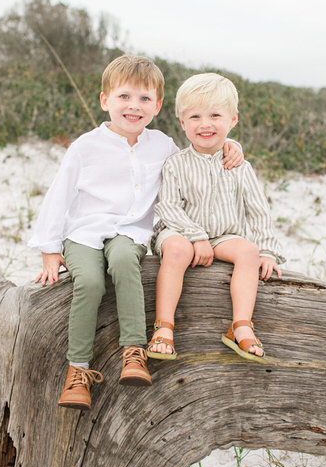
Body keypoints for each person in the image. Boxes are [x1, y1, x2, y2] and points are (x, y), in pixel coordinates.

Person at [29, 56, 244, 410]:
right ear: (105, 101)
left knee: (127, 265)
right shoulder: (85, 147)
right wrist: (49, 249)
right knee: (91, 283)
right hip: (83, 232)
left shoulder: (160, 145)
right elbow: (58, 197)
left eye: (145, 99)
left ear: (158, 106)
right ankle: (78, 371)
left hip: (129, 232)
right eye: (124, 97)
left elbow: (196, 157)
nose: (134, 106)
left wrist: (231, 146)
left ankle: (134, 351)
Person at [147, 72, 285, 363]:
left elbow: (258, 209)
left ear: (232, 120)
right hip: (179, 231)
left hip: (223, 234)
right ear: (182, 122)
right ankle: (164, 326)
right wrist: (195, 236)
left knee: (248, 250)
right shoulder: (176, 164)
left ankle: (240, 325)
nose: (205, 124)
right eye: (195, 117)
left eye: (215, 115)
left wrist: (268, 251)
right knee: (177, 249)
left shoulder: (239, 165)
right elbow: (168, 206)